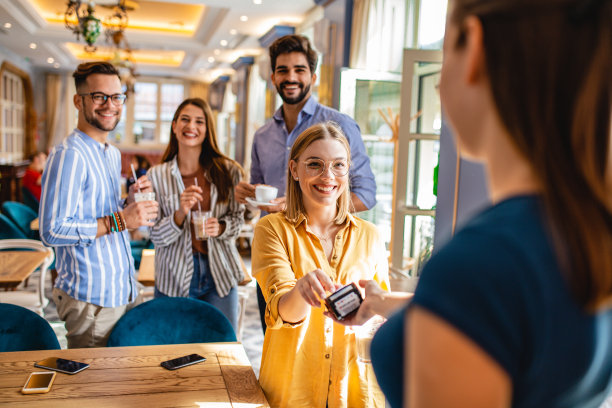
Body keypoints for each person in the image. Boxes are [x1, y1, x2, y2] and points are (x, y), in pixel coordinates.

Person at [368, 0, 612, 406]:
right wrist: (385, 303)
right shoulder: (585, 229)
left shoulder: (483, 262)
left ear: (474, 46)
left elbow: (489, 299)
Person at [235, 34, 378, 333]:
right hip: (276, 249)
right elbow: (260, 191)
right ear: (273, 77)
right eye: (283, 70)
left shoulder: (340, 124)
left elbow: (365, 194)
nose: (291, 77)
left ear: (312, 76)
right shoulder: (262, 135)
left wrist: (306, 203)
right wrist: (246, 194)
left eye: (299, 69)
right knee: (278, 335)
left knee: (333, 337)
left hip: (327, 253)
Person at [251, 122, 389, 407]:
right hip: (293, 388)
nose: (328, 176)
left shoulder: (371, 236)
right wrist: (300, 291)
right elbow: (281, 313)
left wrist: (375, 314)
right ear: (294, 169)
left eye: (338, 165)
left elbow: (380, 314)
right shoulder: (272, 229)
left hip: (354, 389)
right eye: (314, 164)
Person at [40, 61, 159, 348]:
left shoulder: (111, 153)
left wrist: (127, 202)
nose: (110, 105)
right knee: (94, 389)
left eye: (117, 97)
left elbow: (96, 208)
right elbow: (52, 230)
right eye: (99, 96)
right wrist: (120, 221)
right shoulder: (69, 155)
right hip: (90, 299)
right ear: (78, 101)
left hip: (121, 289)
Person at [147, 98, 245, 333]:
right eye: (185, 119)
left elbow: (238, 221)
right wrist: (180, 213)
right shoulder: (156, 176)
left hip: (219, 272)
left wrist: (220, 228)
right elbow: (156, 236)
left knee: (222, 348)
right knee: (173, 348)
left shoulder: (228, 171)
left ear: (207, 129)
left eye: (199, 121)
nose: (192, 126)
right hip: (173, 274)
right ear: (174, 126)